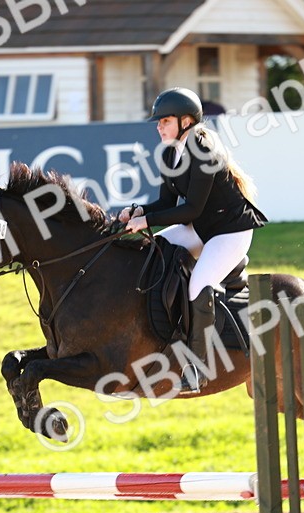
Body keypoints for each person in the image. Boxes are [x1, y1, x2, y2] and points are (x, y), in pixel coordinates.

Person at [121, 87, 267, 392]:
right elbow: (167, 204)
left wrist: (145, 221)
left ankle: (198, 368)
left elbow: (191, 208)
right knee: (152, 253)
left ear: (186, 121)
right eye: (158, 122)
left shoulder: (203, 151)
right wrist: (138, 210)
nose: (159, 127)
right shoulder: (170, 153)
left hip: (230, 232)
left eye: (165, 121)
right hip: (201, 228)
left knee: (199, 284)